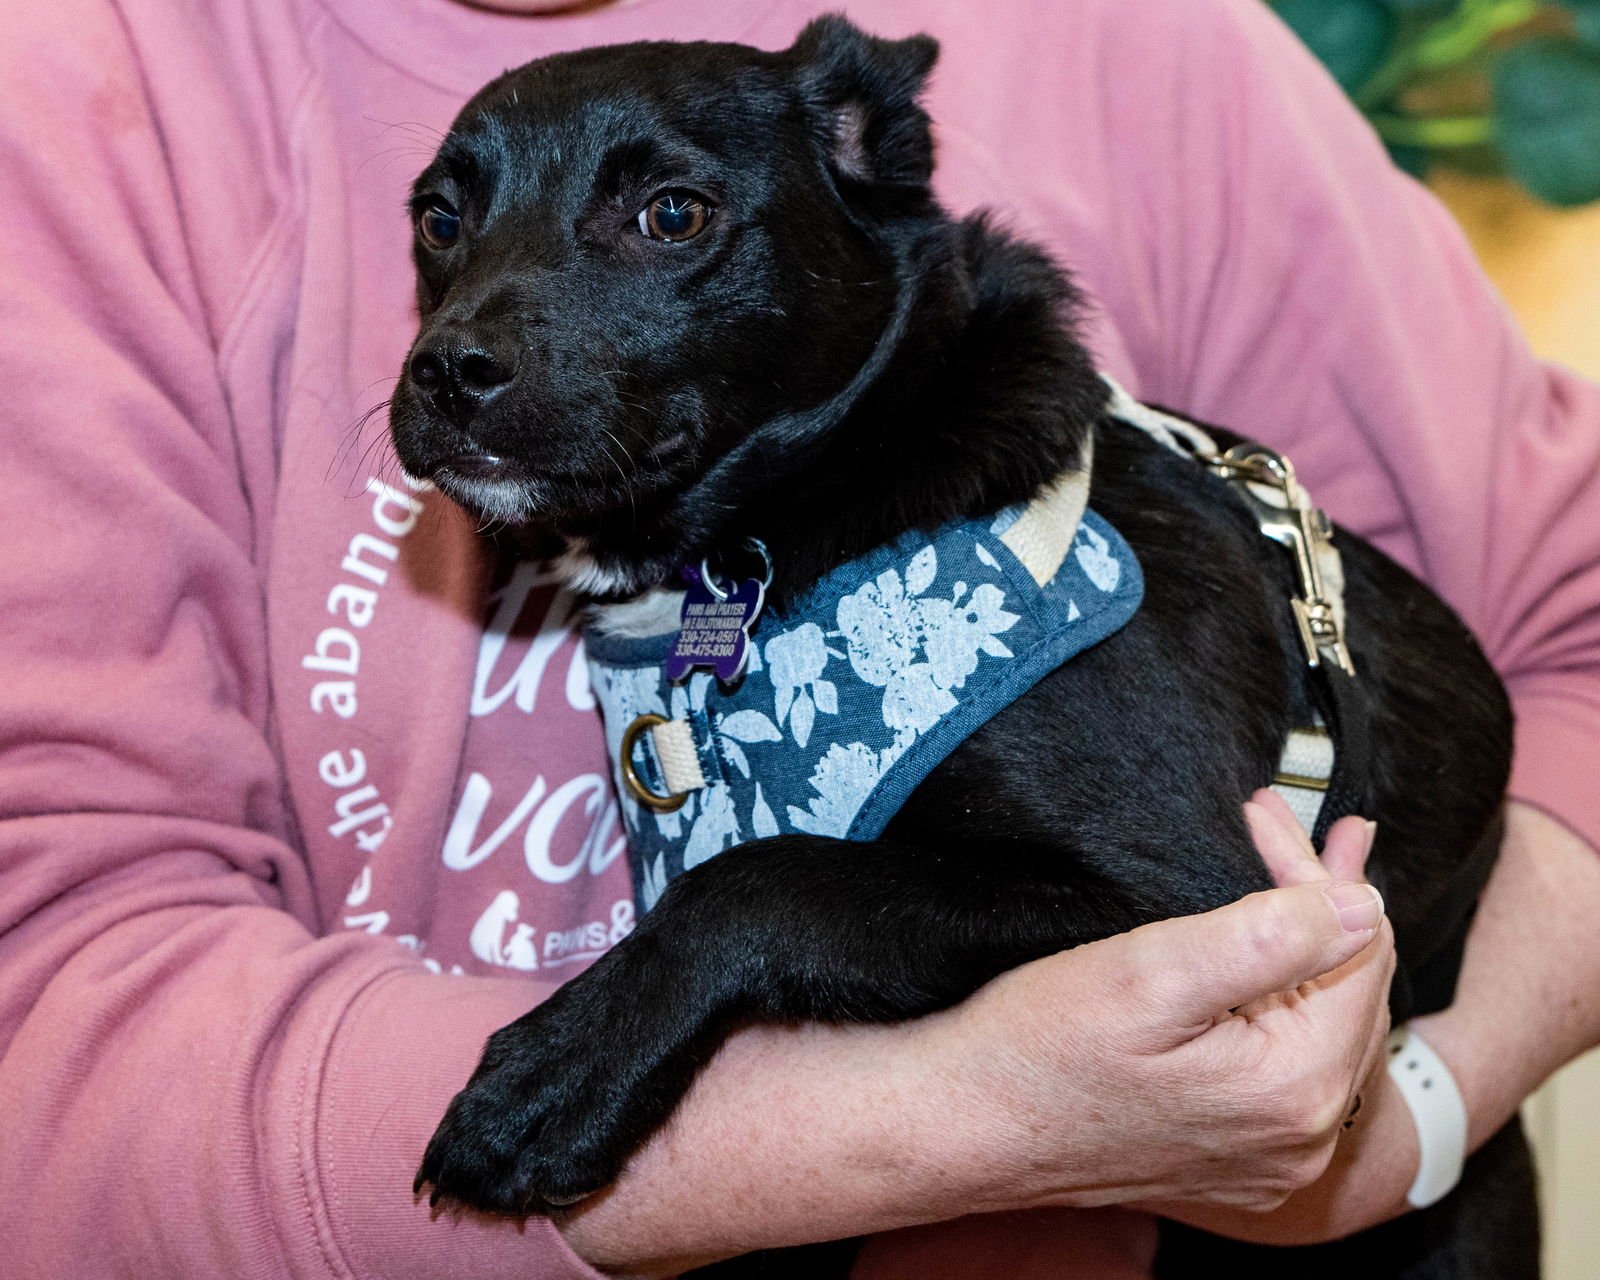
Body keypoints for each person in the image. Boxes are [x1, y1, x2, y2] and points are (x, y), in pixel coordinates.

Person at [0, 0, 1596, 1276]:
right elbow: (57, 1008)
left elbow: (1165, 905)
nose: (471, 328)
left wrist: (1414, 1126)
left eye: (667, 215)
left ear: (863, 170)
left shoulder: (1047, 511)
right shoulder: (85, 90)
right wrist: (943, 1123)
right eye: (452, 225)